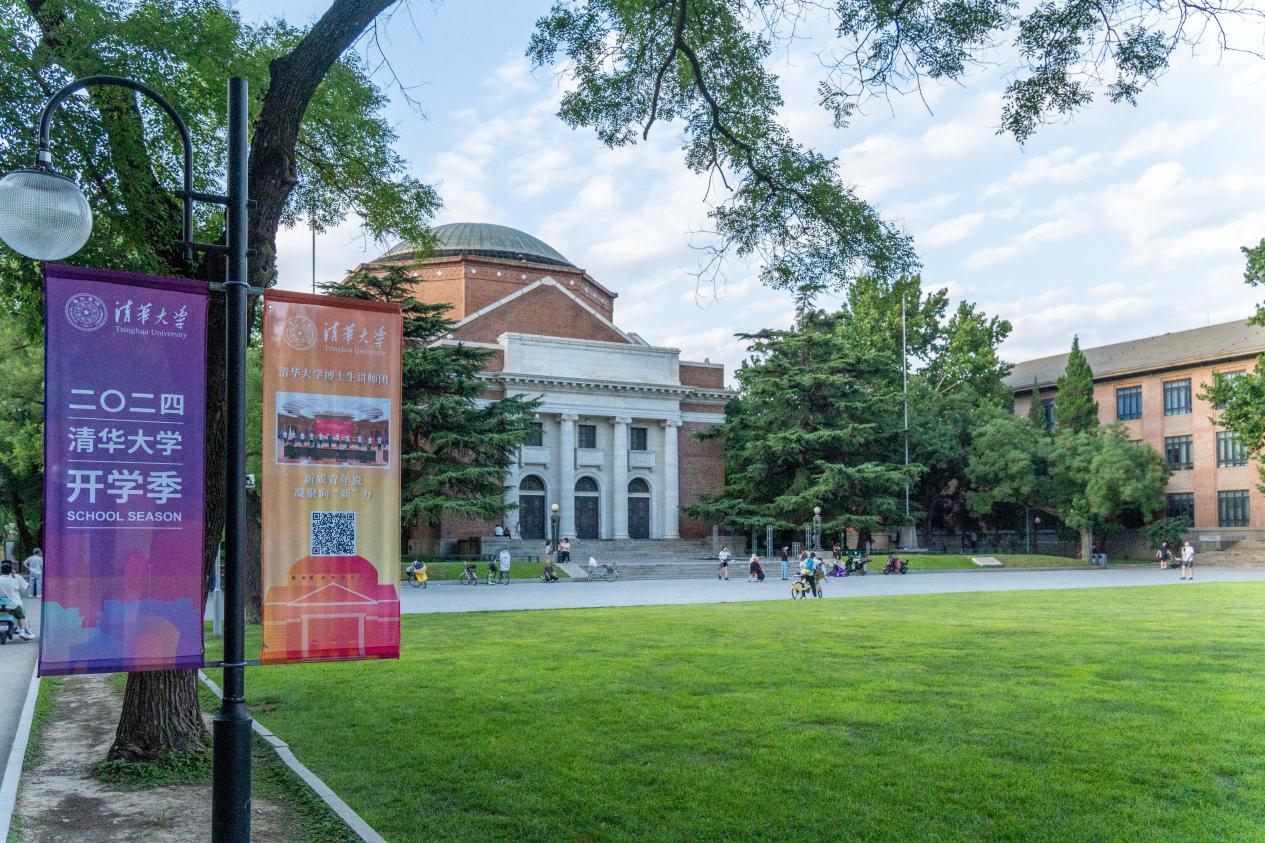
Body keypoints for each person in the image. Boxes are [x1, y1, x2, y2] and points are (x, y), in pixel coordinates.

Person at [0, 561, 35, 639]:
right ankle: (22, 631)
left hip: (1, 605)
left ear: (1, 570)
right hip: (13, 604)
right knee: (21, 616)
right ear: (11, 569)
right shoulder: (14, 579)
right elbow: (22, 587)